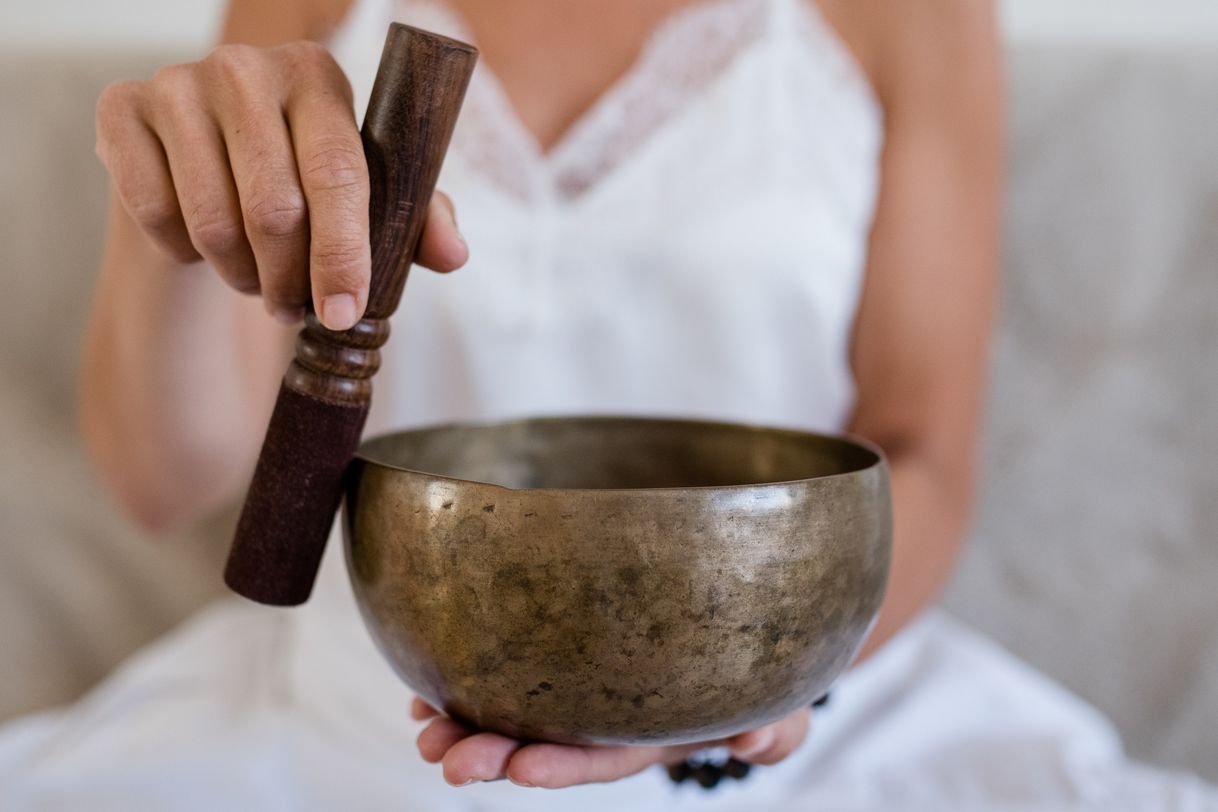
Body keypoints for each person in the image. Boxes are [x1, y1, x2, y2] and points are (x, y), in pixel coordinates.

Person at [1, 0, 1213, 808]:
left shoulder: (910, 13)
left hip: (804, 699)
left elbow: (926, 451)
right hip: (362, 693)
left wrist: (751, 684)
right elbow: (163, 479)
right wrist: (174, 206)